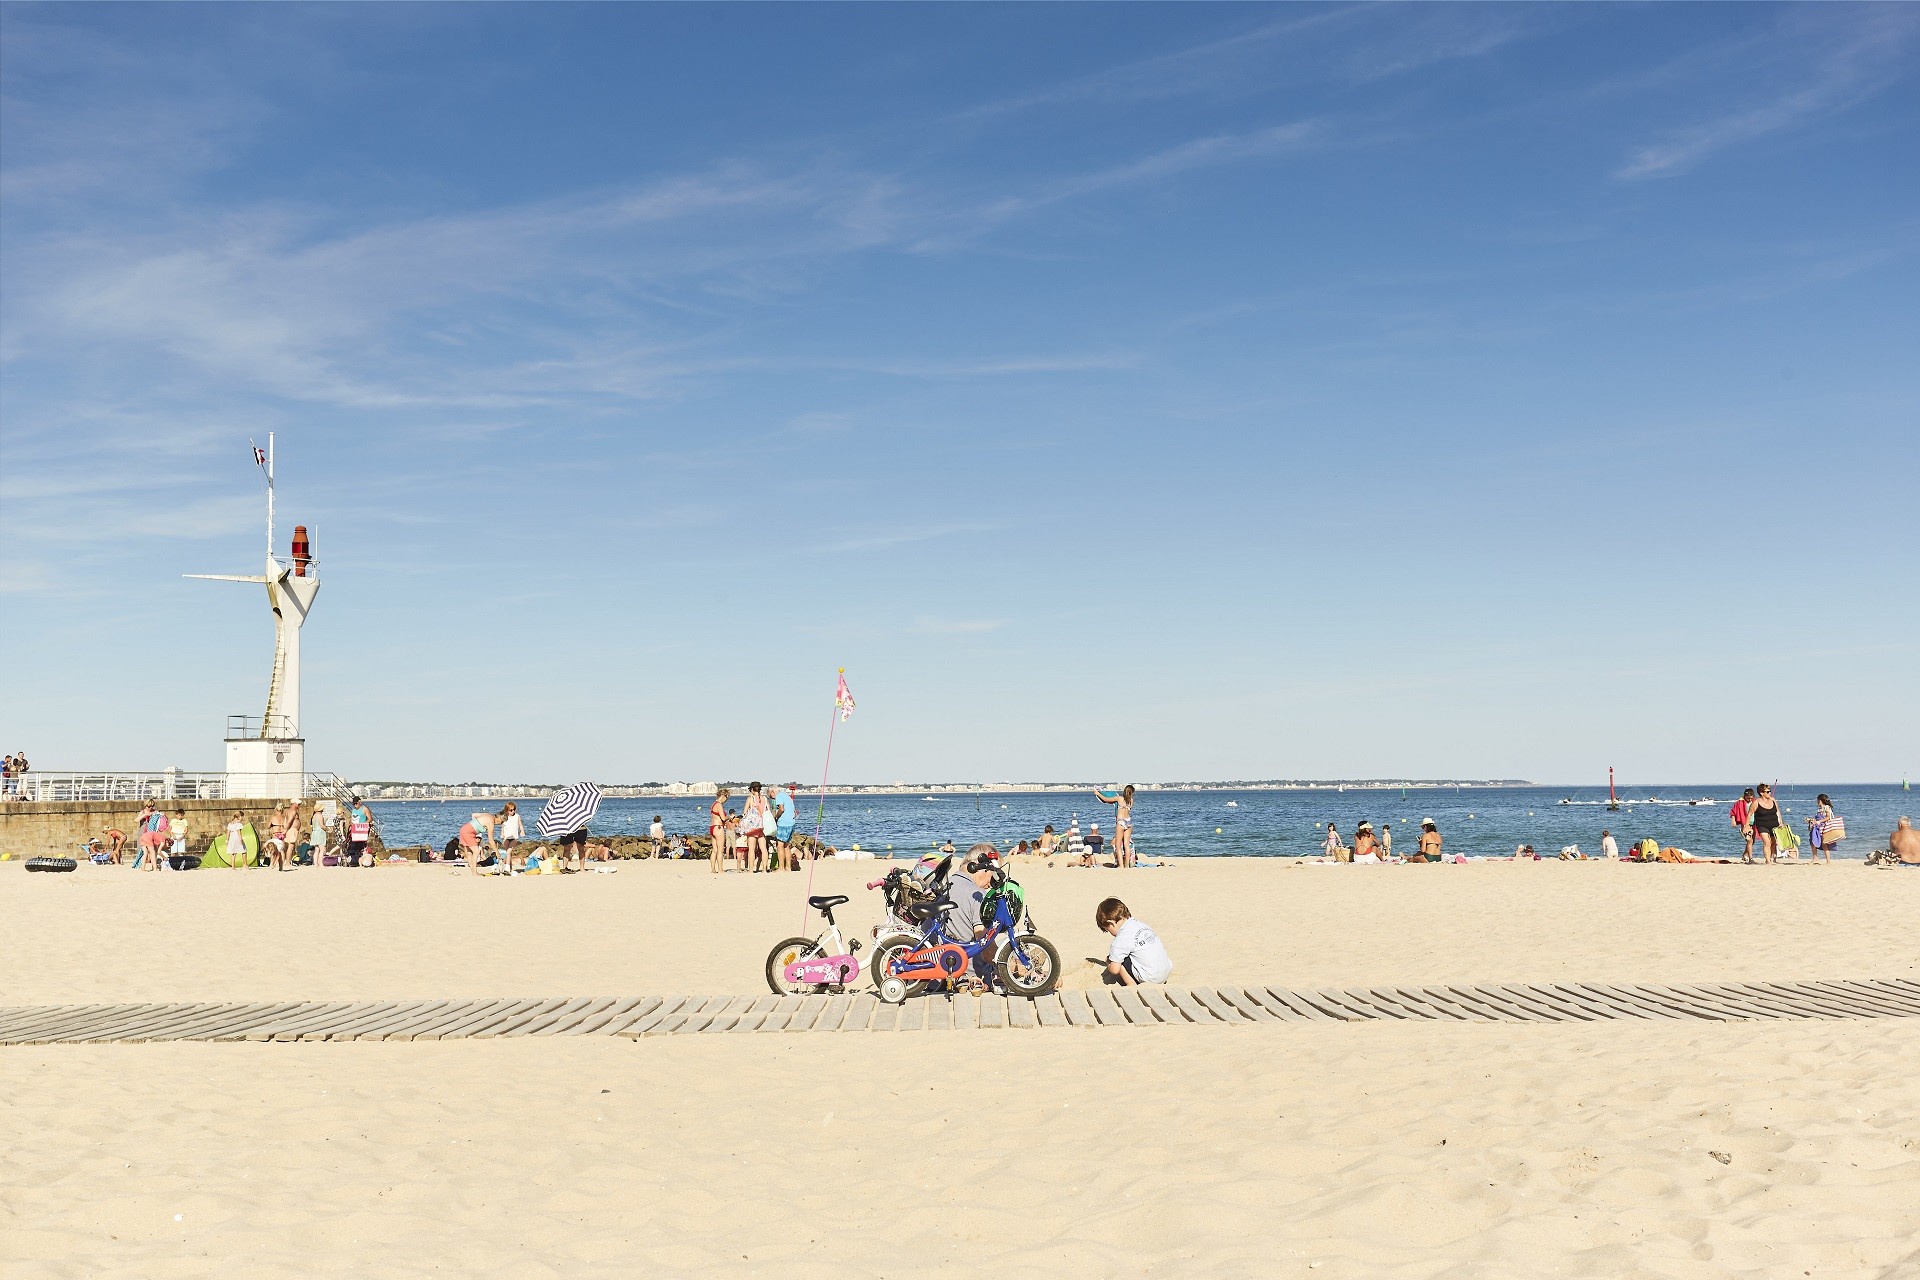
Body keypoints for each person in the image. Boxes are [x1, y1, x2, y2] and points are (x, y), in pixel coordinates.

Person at [1096, 898, 1173, 986]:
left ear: (1111, 923)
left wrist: (1109, 962)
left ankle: (1130, 983)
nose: (1111, 934)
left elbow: (1114, 970)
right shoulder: (1141, 925)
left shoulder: (1122, 938)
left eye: (1108, 930)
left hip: (1150, 978)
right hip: (1165, 972)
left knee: (1117, 958)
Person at [1093, 785, 1137, 868]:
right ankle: (1127, 865)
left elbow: (1106, 800)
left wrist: (1098, 793)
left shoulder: (1119, 798)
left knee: (1118, 845)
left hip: (1121, 822)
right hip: (1129, 822)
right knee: (1126, 845)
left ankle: (1121, 865)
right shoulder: (1131, 801)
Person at [1746, 783, 1784, 865]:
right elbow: (1749, 814)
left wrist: (1781, 822)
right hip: (1762, 825)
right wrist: (1747, 826)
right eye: (1767, 792)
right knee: (1767, 842)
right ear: (1761, 792)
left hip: (1774, 824)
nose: (1769, 793)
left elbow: (1778, 812)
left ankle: (1773, 858)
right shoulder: (1756, 802)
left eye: (1770, 791)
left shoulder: (1773, 800)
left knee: (1774, 842)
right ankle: (1768, 860)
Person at [740, 782, 769, 873]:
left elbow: (744, 812)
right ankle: (764, 869)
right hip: (762, 826)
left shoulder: (750, 799)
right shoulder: (764, 798)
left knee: (751, 849)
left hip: (752, 827)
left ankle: (751, 869)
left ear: (752, 789)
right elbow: (768, 811)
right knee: (763, 849)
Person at [1809, 793, 1844, 863]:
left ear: (1820, 800)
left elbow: (1828, 817)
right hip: (1817, 827)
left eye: (1817, 801)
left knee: (1824, 844)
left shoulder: (1826, 807)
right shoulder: (1819, 809)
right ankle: (1815, 858)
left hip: (1823, 827)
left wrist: (1819, 821)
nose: (1817, 802)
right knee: (1813, 842)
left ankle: (1828, 861)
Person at [772, 785, 796, 870]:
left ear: (772, 792)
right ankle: (788, 867)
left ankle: (781, 868)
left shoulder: (779, 795)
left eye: (771, 796)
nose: (773, 799)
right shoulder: (787, 796)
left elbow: (781, 809)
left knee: (780, 845)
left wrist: (776, 817)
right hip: (791, 822)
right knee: (786, 846)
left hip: (784, 823)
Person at [1731, 787, 1757, 863]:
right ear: (1744, 796)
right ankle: (1751, 859)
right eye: (1748, 798)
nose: (1749, 800)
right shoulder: (1739, 803)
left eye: (1751, 798)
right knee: (1749, 840)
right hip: (1745, 824)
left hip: (1754, 823)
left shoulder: (1755, 801)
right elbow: (1733, 811)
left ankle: (1744, 855)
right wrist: (1733, 820)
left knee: (1752, 841)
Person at [709, 788, 732, 874]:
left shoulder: (713, 804)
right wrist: (729, 817)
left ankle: (713, 869)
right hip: (718, 827)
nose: (726, 800)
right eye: (727, 797)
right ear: (723, 796)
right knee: (720, 849)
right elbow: (723, 818)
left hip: (712, 827)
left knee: (714, 849)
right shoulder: (719, 805)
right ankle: (720, 869)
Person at [347, 798, 374, 867]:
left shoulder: (364, 809)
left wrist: (364, 824)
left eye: (356, 803)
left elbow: (370, 819)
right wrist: (351, 823)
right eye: (353, 804)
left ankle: (363, 859)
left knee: (362, 844)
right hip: (355, 829)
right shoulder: (353, 810)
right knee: (355, 844)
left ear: (359, 802)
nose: (355, 805)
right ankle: (356, 859)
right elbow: (352, 819)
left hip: (363, 829)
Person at [498, 802, 525, 868]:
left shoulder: (517, 816)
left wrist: (522, 831)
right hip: (506, 837)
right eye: (511, 810)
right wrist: (502, 834)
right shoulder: (505, 817)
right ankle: (510, 868)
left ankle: (507, 867)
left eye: (514, 809)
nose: (513, 811)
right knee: (508, 853)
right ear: (507, 810)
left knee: (508, 852)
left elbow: (520, 825)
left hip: (514, 837)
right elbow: (503, 826)